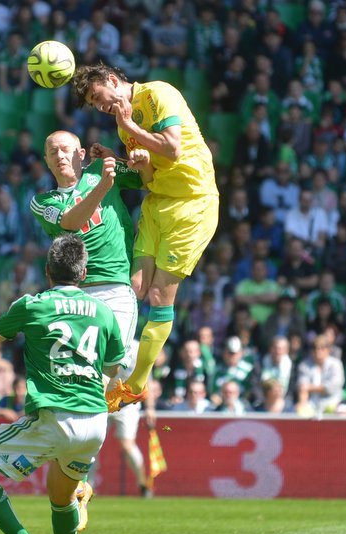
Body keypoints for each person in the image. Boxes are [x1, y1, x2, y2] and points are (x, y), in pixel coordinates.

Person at [0, 234, 125, 534]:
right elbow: (113, 368)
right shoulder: (104, 312)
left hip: (54, 417)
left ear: (47, 271)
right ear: (84, 273)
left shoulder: (33, 305)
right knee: (60, 497)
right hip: (94, 421)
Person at [71, 63, 219, 413]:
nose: (99, 106)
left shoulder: (159, 94)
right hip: (157, 204)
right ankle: (103, 369)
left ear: (111, 80)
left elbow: (172, 149)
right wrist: (121, 160)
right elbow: (147, 177)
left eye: (97, 97)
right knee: (132, 288)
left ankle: (136, 383)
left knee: (157, 296)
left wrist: (128, 126)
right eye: (94, 105)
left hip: (193, 203)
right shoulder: (125, 130)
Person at [30, 130, 151, 503]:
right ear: (47, 161)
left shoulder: (102, 168)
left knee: (106, 371)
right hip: (74, 294)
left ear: (81, 153)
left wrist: (132, 158)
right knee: (84, 379)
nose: (61, 156)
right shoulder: (43, 201)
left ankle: (74, 470)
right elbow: (69, 222)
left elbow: (146, 178)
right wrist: (102, 186)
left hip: (114, 287)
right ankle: (75, 473)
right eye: (53, 152)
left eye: (67, 149)